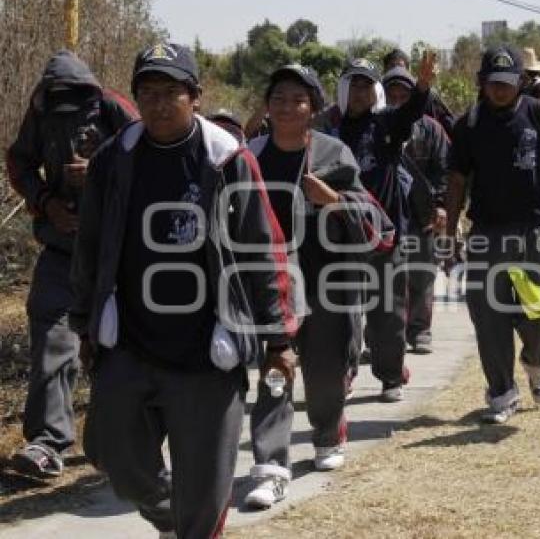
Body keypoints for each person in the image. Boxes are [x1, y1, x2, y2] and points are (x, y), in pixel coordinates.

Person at [69, 42, 296, 538]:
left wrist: (278, 339)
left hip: (206, 353)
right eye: (146, 92)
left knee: (205, 489)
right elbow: (91, 245)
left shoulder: (226, 159)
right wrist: (84, 322)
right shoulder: (116, 159)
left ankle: (190, 525)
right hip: (129, 342)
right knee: (111, 452)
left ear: (196, 95)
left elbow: (264, 250)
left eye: (171, 92)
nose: (157, 103)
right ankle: (169, 517)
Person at [245, 64, 381, 508]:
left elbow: (368, 214)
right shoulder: (250, 156)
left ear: (314, 108)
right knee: (275, 369)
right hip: (272, 286)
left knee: (324, 369)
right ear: (267, 105)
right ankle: (271, 465)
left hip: (328, 279)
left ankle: (327, 431)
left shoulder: (334, 153)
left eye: (298, 100)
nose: (287, 107)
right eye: (279, 98)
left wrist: (334, 200)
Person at [5, 50, 137, 478]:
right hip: (62, 253)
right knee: (52, 340)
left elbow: (152, 159)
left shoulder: (117, 107)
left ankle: (123, 438)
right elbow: (19, 163)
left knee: (122, 346)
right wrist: (45, 202)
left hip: (121, 256)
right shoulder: (40, 111)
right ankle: (46, 443)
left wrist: (100, 169)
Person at [444, 45, 540, 423]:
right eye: (494, 82)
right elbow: (457, 180)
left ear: (522, 81)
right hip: (487, 232)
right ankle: (501, 391)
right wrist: (450, 232)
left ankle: (538, 360)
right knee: (488, 315)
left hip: (536, 227)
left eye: (508, 83)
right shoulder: (469, 125)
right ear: (482, 82)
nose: (501, 90)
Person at [316, 54, 437, 402]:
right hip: (339, 238)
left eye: (366, 84)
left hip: (384, 239)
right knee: (343, 315)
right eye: (353, 84)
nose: (359, 91)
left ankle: (391, 376)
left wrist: (424, 87)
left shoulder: (387, 125)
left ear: (376, 91)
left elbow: (411, 113)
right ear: (342, 89)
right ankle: (344, 373)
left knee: (388, 315)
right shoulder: (327, 132)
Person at [383, 66, 449, 355]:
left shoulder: (431, 129)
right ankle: (381, 336)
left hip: (422, 214)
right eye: (391, 94)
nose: (397, 100)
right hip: (384, 215)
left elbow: (445, 169)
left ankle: (420, 330)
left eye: (404, 95)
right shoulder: (376, 126)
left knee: (422, 274)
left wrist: (442, 205)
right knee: (383, 279)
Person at [382, 47, 454, 136]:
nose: (397, 71)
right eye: (392, 67)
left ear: (408, 70)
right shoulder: (376, 97)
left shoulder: (427, 96)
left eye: (403, 96)